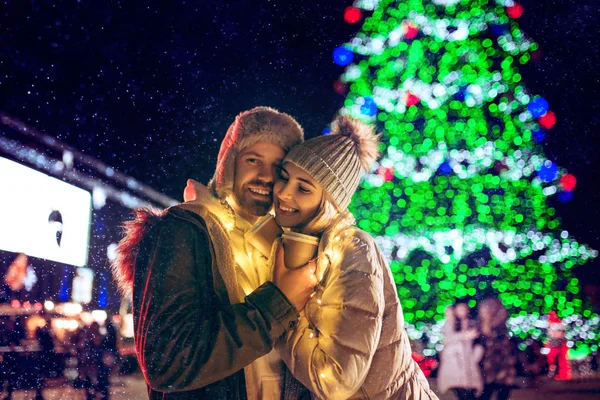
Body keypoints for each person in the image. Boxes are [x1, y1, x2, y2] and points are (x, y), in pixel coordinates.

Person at [112, 107, 317, 399]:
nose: (265, 177)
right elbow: (167, 364)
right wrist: (276, 305)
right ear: (229, 163)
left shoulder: (285, 247)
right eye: (253, 160)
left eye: (278, 167)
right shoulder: (183, 230)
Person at [271, 116, 438, 399]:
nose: (283, 193)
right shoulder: (305, 243)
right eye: (284, 178)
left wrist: (279, 308)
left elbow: (335, 381)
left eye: (303, 188)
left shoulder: (352, 249)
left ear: (329, 201)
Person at [437, 302, 484, 400]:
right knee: (460, 390)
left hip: (469, 362)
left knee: (469, 391)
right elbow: (448, 339)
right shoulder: (450, 324)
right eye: (460, 309)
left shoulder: (471, 323)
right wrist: (464, 335)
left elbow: (477, 343)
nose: (463, 311)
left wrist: (476, 354)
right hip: (455, 362)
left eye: (465, 308)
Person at [477, 297, 517, 400]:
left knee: (499, 391)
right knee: (488, 391)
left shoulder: (499, 326)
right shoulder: (481, 325)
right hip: (489, 366)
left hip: (499, 365)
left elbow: (501, 346)